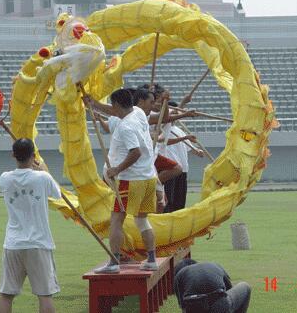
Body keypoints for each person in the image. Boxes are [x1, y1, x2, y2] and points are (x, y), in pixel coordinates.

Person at [87, 89, 159, 273]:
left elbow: (135, 152)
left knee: (116, 220)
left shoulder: (126, 127)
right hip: (147, 177)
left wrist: (116, 169)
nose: (111, 108)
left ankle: (114, 263)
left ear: (118, 105)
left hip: (130, 180)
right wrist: (94, 102)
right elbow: (112, 111)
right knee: (142, 220)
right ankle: (151, 259)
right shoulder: (138, 111)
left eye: (113, 105)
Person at [0, 138, 62, 313]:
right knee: (45, 295)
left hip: (13, 244)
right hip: (38, 243)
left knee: (6, 294)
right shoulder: (42, 177)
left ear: (13, 155)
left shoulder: (5, 178)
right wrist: (43, 170)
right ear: (33, 156)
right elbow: (58, 194)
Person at [162, 101, 205, 212]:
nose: (176, 116)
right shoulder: (162, 129)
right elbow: (166, 141)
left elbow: (188, 148)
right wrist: (183, 103)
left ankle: (177, 227)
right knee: (168, 202)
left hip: (183, 170)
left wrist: (197, 151)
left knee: (179, 203)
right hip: (170, 170)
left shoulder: (179, 130)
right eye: (174, 112)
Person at [174, 258, 251, 313]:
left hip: (194, 307)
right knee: (245, 286)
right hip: (220, 304)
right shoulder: (214, 265)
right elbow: (228, 290)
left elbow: (183, 306)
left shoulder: (179, 276)